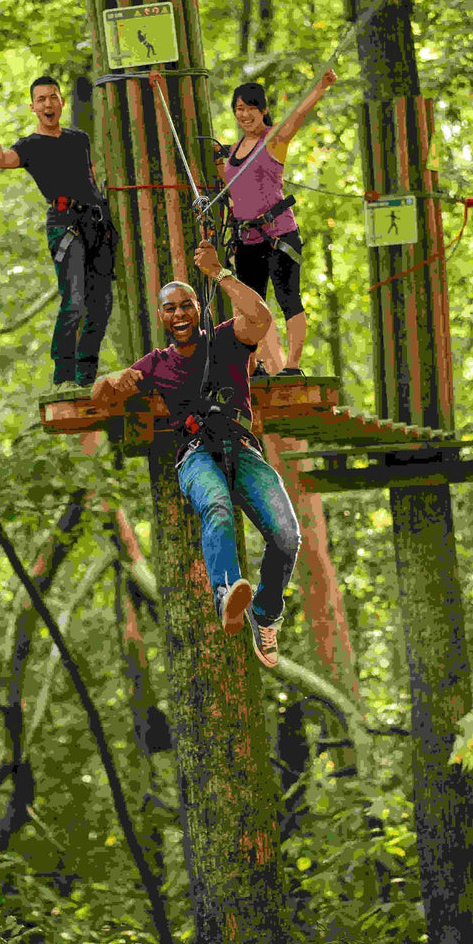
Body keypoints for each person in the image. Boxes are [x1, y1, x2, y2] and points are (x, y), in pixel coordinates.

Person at [91, 239, 301, 668]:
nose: (180, 314)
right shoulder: (155, 363)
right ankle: (227, 594)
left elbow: (261, 318)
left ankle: (265, 614)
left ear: (198, 309)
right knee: (216, 506)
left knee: (287, 536)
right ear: (162, 317)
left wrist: (218, 273)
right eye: (170, 308)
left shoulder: (226, 339)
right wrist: (112, 380)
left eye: (186, 305)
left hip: (242, 449)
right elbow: (101, 397)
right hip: (196, 455)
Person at [0, 77, 117, 390]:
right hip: (64, 223)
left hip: (95, 221)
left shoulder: (79, 139)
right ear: (33, 107)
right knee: (75, 301)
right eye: (41, 99)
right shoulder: (30, 146)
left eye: (53, 97)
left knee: (101, 304)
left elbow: (90, 176)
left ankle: (85, 379)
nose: (47, 104)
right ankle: (64, 377)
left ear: (61, 102)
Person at [213, 70, 337, 375]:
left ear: (263, 110)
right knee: (250, 306)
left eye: (250, 108)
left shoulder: (274, 140)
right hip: (247, 240)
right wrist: (217, 160)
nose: (244, 115)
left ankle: (292, 366)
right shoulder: (234, 150)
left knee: (288, 298)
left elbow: (298, 116)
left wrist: (321, 86)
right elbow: (234, 187)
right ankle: (253, 365)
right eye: (239, 109)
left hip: (278, 235)